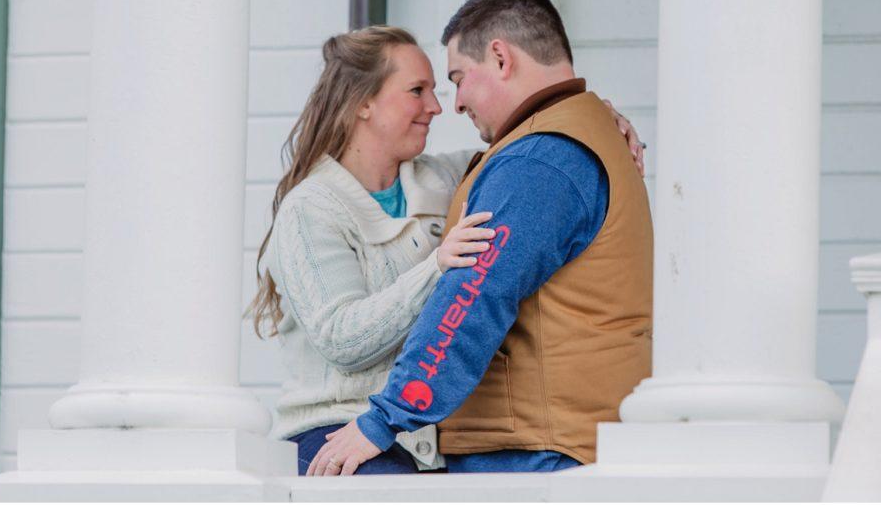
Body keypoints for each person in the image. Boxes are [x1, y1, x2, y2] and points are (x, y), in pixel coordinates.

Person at [248, 24, 646, 475]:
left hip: (415, 437)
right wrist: (437, 267)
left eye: (439, 89)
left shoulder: (442, 178)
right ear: (362, 103)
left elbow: (531, 152)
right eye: (417, 91)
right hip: (337, 431)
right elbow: (343, 338)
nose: (437, 107)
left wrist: (597, 121)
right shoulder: (310, 209)